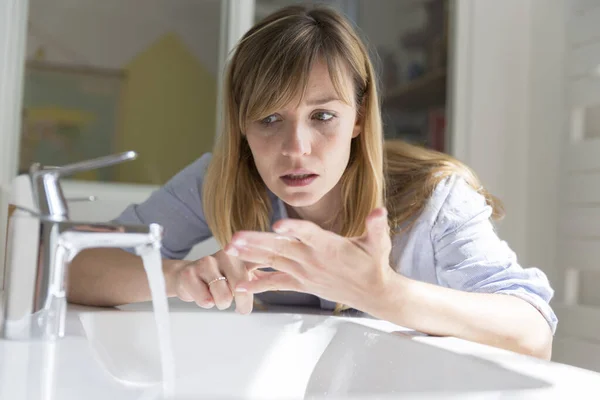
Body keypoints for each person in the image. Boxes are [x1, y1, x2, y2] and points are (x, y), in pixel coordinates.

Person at [68, 5, 557, 359]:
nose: (295, 148)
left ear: (360, 118)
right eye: (269, 119)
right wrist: (175, 276)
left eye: (322, 115)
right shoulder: (221, 179)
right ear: (241, 125)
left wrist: (384, 293)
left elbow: (532, 331)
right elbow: (75, 270)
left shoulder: (436, 196)